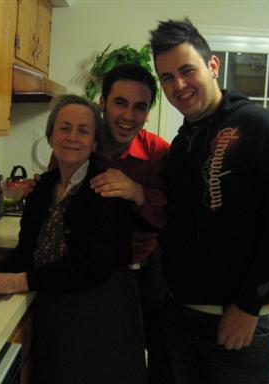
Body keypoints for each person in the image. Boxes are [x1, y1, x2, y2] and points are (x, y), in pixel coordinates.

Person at [148, 18, 269, 384]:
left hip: (237, 325)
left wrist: (249, 305)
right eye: (167, 77)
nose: (179, 85)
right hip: (180, 319)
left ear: (213, 66)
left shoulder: (259, 128)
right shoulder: (182, 144)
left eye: (187, 70)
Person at [0, 95, 147, 384]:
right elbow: (27, 250)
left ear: (94, 142)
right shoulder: (43, 189)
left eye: (83, 131)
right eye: (64, 128)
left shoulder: (107, 186)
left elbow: (93, 265)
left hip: (101, 313)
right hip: (56, 305)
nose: (72, 138)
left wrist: (17, 281)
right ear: (51, 135)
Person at [47, 64, 171, 381]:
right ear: (103, 102)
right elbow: (54, 203)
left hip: (148, 273)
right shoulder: (77, 142)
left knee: (154, 366)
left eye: (139, 107)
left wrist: (138, 193)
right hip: (91, 276)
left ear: (147, 113)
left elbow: (171, 218)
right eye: (120, 102)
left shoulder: (159, 153)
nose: (128, 115)